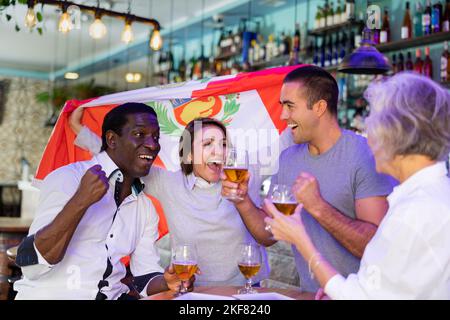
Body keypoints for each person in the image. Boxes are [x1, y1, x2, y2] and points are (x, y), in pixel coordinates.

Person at [264, 72, 450, 299]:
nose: (368, 137)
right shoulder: (430, 197)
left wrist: (302, 240)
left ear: (395, 132)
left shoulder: (413, 214)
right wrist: (337, 288)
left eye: (373, 123)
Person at [222, 65, 395, 293]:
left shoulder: (365, 154)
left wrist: (319, 207)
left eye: (290, 106)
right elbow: (268, 233)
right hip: (310, 295)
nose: (283, 115)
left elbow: (375, 246)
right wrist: (242, 200)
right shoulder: (288, 159)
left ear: (320, 107)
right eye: (282, 106)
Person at [69, 108, 270, 287]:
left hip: (247, 289)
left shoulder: (245, 175)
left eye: (224, 144)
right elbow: (123, 158)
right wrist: (79, 130)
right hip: (192, 290)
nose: (219, 151)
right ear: (189, 155)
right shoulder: (169, 184)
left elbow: (287, 144)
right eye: (208, 143)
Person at [14, 103, 190, 300]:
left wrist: (167, 281)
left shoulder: (145, 207)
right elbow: (32, 265)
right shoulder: (68, 179)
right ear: (112, 140)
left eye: (156, 137)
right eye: (140, 134)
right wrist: (80, 201)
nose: (153, 144)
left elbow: (144, 276)